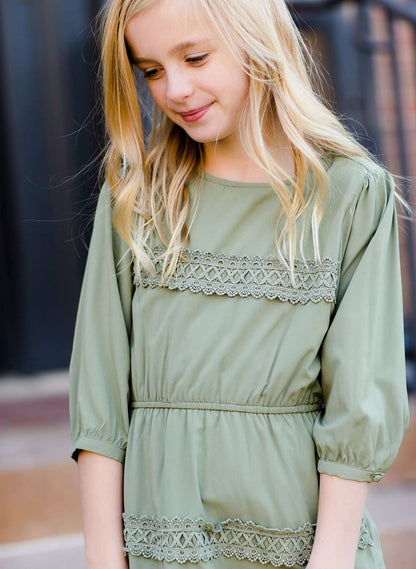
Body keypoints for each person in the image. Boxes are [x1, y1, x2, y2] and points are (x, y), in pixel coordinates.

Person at [68, 0, 410, 568]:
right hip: (163, 539)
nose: (174, 88)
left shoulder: (350, 194)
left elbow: (358, 405)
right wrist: (105, 559)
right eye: (150, 70)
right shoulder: (138, 194)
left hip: (304, 541)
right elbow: (99, 402)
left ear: (260, 39)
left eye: (196, 57)